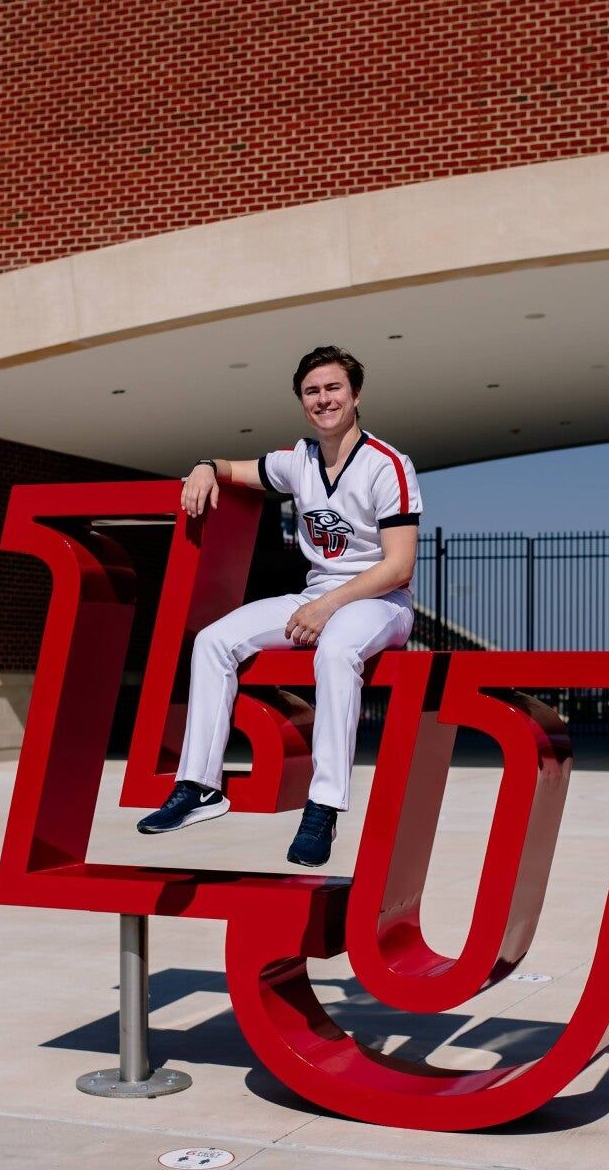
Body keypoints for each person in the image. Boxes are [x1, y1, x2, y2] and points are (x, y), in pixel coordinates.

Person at [136, 346, 423, 867]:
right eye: (312, 392)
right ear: (302, 403)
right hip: (319, 596)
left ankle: (323, 806)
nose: (323, 399)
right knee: (212, 641)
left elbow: (400, 565)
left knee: (335, 651)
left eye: (333, 388)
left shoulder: (388, 466)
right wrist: (205, 467)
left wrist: (329, 606)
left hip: (380, 601)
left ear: (356, 395)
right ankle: (199, 785)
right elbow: (235, 468)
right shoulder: (299, 462)